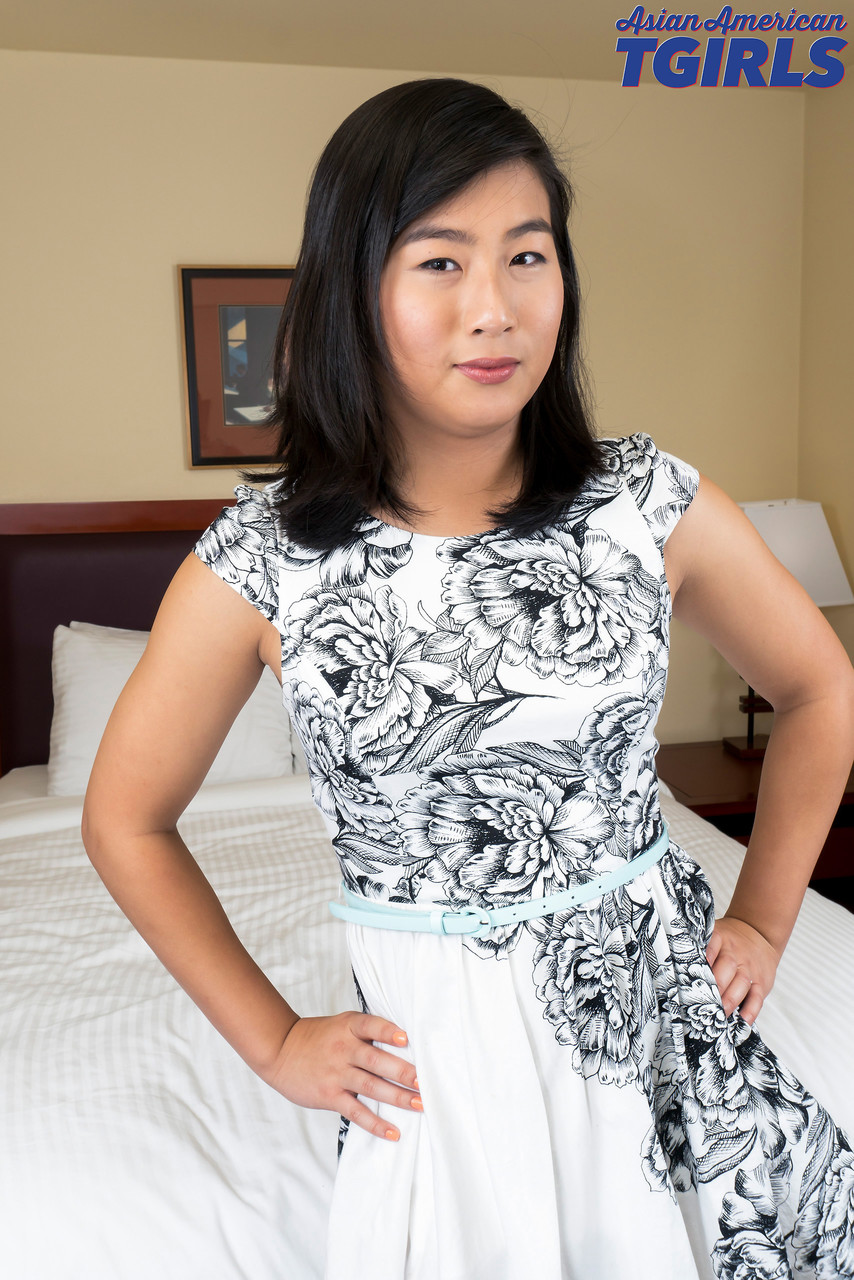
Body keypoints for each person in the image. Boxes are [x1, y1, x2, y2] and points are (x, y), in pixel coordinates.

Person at [82, 78, 854, 1279]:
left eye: (526, 256)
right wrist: (274, 1040)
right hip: (441, 1056)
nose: (493, 309)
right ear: (354, 288)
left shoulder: (646, 501)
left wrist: (759, 913)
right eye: (439, 261)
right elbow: (123, 818)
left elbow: (818, 688)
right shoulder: (264, 560)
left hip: (661, 1020)